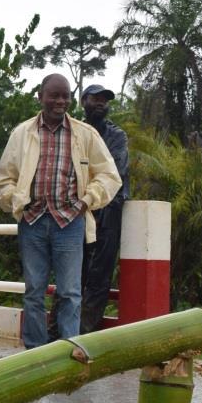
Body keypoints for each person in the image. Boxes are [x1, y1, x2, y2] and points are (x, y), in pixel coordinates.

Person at [0, 74, 121, 349]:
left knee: (71, 292)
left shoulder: (85, 134)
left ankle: (70, 349)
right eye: (54, 95)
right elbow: (2, 180)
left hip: (70, 222)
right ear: (40, 97)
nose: (60, 101)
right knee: (34, 291)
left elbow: (109, 176)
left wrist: (86, 201)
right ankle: (34, 351)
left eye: (65, 96)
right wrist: (19, 203)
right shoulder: (22, 133)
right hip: (33, 222)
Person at [78, 84, 130, 333]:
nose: (101, 103)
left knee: (100, 270)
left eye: (104, 100)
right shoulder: (75, 132)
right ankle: (63, 329)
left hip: (109, 206)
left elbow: (112, 174)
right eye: (95, 98)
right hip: (80, 206)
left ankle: (86, 331)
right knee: (74, 267)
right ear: (83, 102)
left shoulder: (116, 135)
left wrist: (90, 198)